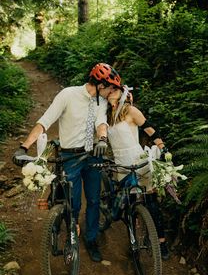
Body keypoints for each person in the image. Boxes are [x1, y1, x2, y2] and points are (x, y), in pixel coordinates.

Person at [13, 63, 122, 262]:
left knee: (94, 200)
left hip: (92, 155)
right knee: (72, 202)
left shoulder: (101, 101)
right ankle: (71, 232)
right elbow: (45, 121)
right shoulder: (68, 95)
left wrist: (103, 139)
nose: (112, 92)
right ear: (99, 84)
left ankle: (91, 239)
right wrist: (24, 146)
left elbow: (101, 123)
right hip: (70, 156)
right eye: (110, 88)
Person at [106, 86, 171, 260]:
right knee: (129, 204)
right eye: (108, 90)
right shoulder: (106, 115)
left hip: (138, 160)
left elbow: (150, 129)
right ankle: (134, 241)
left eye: (115, 89)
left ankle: (161, 242)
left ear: (123, 93)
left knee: (150, 201)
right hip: (121, 165)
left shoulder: (130, 110)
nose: (111, 92)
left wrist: (163, 149)